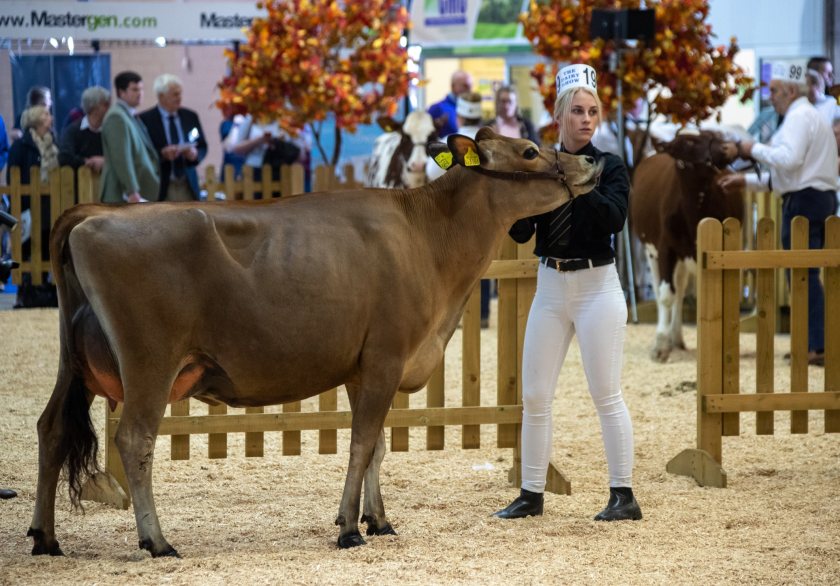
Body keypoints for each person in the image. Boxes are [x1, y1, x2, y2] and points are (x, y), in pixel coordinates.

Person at [492, 64, 640, 522]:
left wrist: (576, 183)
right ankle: (531, 493)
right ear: (560, 115)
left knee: (606, 394)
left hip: (598, 286)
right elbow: (520, 232)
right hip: (551, 285)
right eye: (577, 110)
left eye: (592, 111)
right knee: (535, 394)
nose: (586, 119)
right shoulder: (542, 167)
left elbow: (614, 219)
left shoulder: (609, 166)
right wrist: (515, 190)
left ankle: (623, 495)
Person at [718, 59, 838, 366]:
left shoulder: (799, 117)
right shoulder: (806, 117)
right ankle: (813, 342)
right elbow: (784, 177)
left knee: (803, 275)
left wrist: (749, 148)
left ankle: (816, 345)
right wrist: (743, 180)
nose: (770, 96)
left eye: (773, 90)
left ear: (788, 89)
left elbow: (788, 160)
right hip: (814, 198)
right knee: (805, 274)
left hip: (804, 203)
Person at [138, 74, 208, 201]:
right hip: (161, 186)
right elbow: (141, 152)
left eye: (180, 93)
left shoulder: (190, 116)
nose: (179, 98)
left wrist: (195, 154)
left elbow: (202, 145)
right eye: (175, 94)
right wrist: (162, 155)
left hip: (188, 185)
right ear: (161, 96)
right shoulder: (145, 120)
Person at [99, 71, 159, 203]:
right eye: (135, 89)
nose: (140, 93)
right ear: (121, 92)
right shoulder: (116, 117)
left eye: (141, 89)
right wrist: (131, 190)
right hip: (121, 193)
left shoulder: (128, 115)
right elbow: (121, 157)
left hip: (132, 191)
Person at [58, 85, 110, 174]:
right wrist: (87, 162)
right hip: (79, 184)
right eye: (106, 105)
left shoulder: (111, 130)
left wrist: (106, 161)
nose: (110, 108)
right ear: (94, 108)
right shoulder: (73, 130)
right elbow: (64, 157)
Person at [428, 70, 473, 138]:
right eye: (465, 86)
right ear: (453, 86)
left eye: (470, 86)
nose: (469, 89)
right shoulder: (437, 109)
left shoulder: (471, 109)